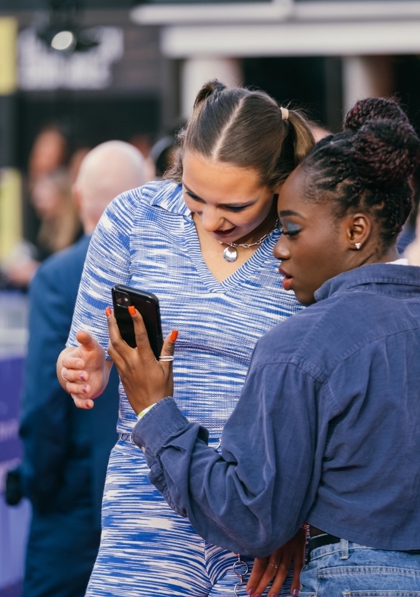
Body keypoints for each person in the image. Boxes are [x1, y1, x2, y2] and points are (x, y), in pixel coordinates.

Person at [107, 115, 420, 597]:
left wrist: (154, 411)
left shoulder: (301, 346)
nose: (279, 250)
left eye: (290, 230)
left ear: (356, 229)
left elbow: (253, 519)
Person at [57, 80, 316, 597]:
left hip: (258, 511)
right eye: (194, 196)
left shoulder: (305, 242)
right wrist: (85, 366)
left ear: (277, 183)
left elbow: (325, 396)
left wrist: (299, 519)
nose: (211, 219)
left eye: (234, 207)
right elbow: (86, 352)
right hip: (145, 505)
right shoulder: (133, 219)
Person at [13, 141, 148, 597]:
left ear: (77, 198)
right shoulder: (163, 275)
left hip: (72, 503)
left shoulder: (57, 275)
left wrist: (38, 485)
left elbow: (44, 402)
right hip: (154, 500)